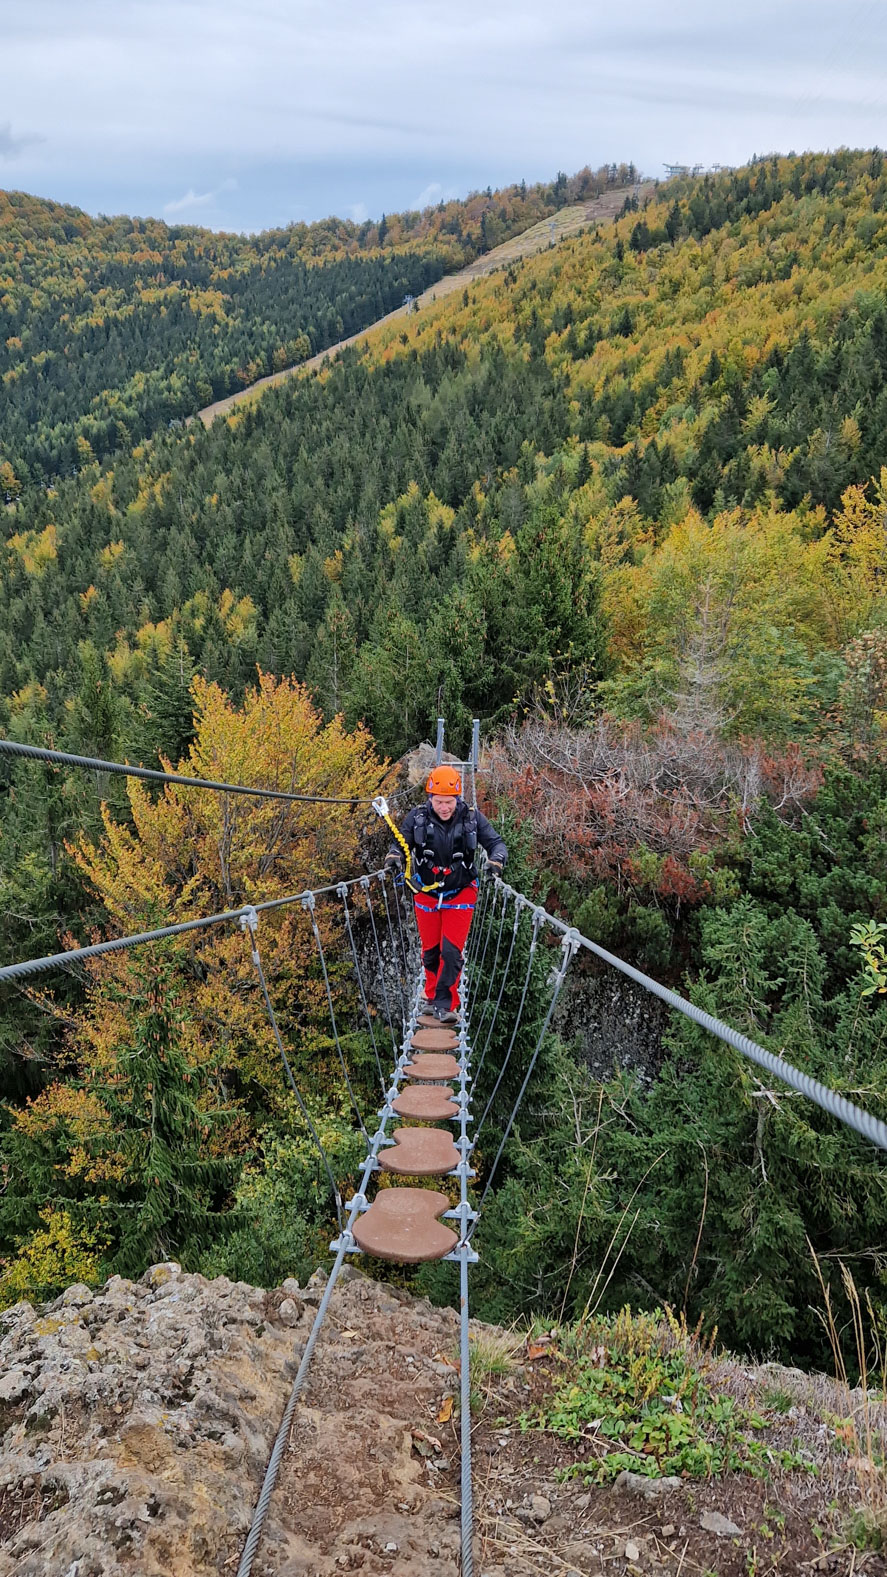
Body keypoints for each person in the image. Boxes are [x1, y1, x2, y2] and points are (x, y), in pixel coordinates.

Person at [385, 765, 507, 1023]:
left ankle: (446, 1004)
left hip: (461, 892)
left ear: (457, 799)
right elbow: (401, 843)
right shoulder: (417, 818)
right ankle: (431, 996)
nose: (444, 807)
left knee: (451, 952)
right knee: (430, 952)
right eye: (439, 801)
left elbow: (495, 843)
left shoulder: (472, 819)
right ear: (430, 798)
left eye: (449, 802)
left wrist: (496, 861)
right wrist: (394, 856)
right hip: (426, 892)